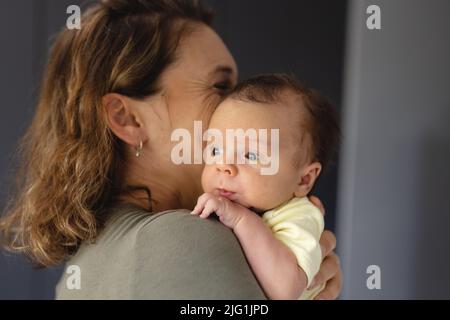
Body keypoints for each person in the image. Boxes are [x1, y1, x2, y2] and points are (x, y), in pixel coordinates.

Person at [0, 0, 341, 299]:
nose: (241, 107)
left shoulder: (90, 256)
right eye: (222, 86)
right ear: (128, 118)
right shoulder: (179, 238)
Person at [191, 74, 340, 300]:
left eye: (251, 155)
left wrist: (240, 219)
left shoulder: (299, 216)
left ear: (304, 180)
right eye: (215, 151)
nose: (223, 166)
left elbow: (285, 289)